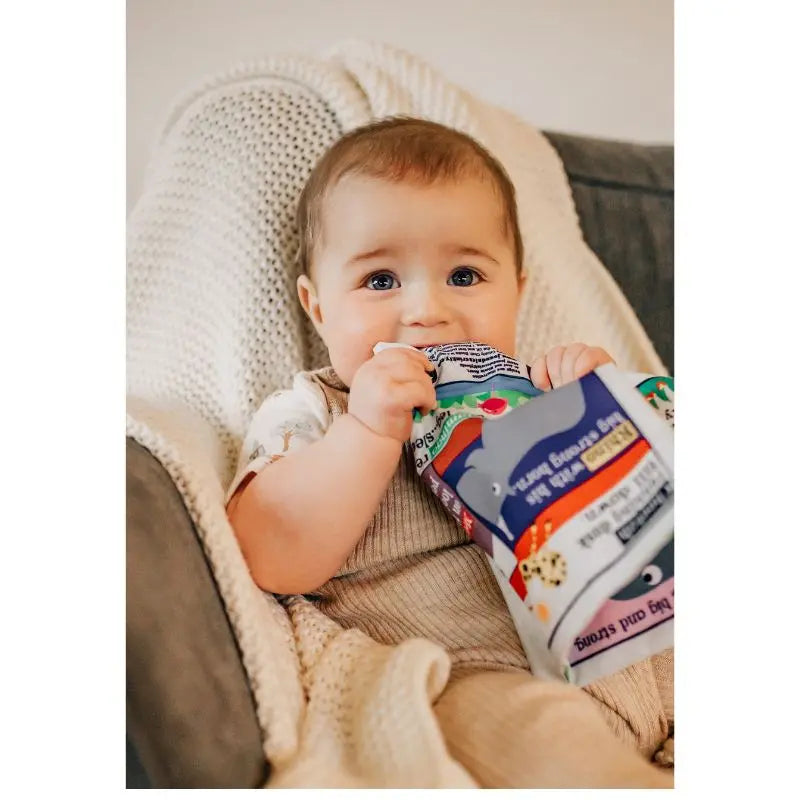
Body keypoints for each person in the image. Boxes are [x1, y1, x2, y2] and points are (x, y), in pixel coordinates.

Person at [226, 117, 673, 788]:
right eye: (380, 281)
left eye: (464, 275)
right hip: (478, 672)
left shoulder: (541, 389)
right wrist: (370, 433)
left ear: (517, 292)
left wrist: (607, 410)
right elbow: (270, 551)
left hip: (641, 646)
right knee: (539, 739)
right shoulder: (319, 410)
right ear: (317, 308)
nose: (426, 310)